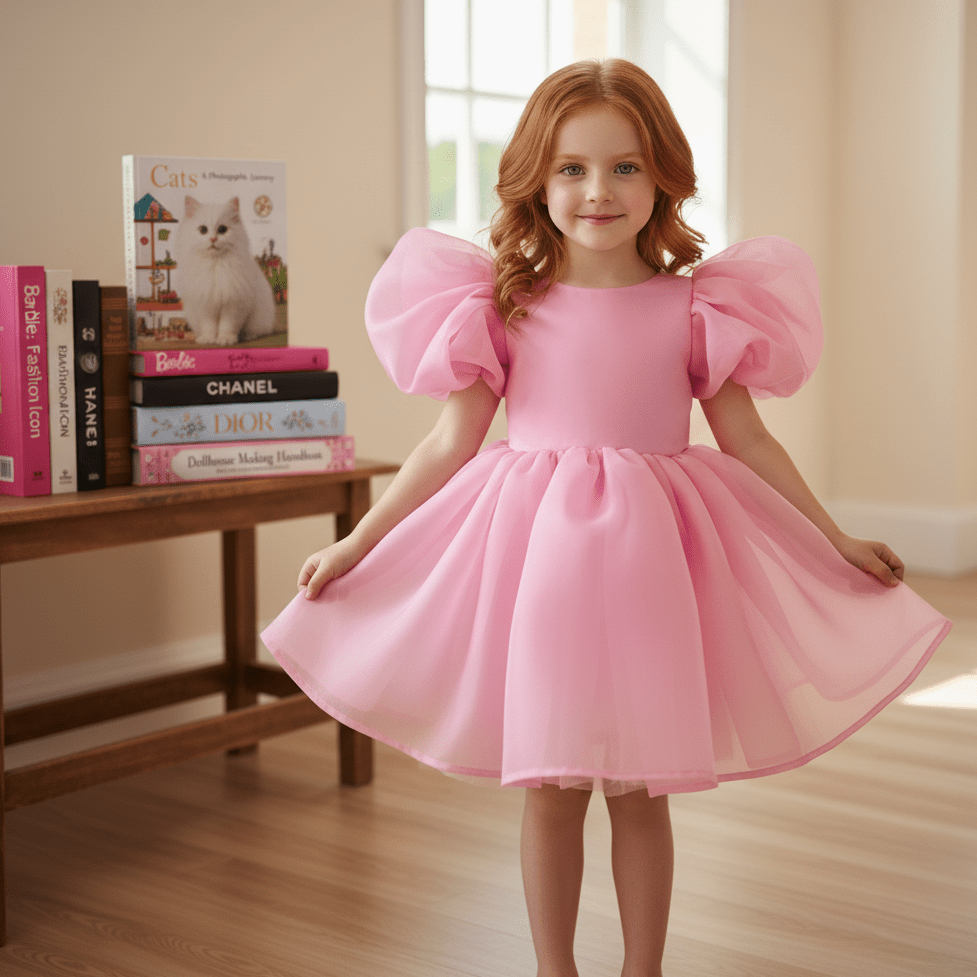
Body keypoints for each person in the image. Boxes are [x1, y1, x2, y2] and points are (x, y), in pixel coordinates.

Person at [262, 59, 950, 977]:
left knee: (637, 789)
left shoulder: (695, 306)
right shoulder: (503, 309)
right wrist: (357, 540)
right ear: (535, 181)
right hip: (539, 567)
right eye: (572, 168)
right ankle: (555, 970)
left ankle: (642, 969)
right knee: (548, 787)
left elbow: (748, 441)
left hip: (650, 572)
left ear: (661, 173)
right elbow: (446, 446)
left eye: (625, 166)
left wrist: (835, 539)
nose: (598, 190)